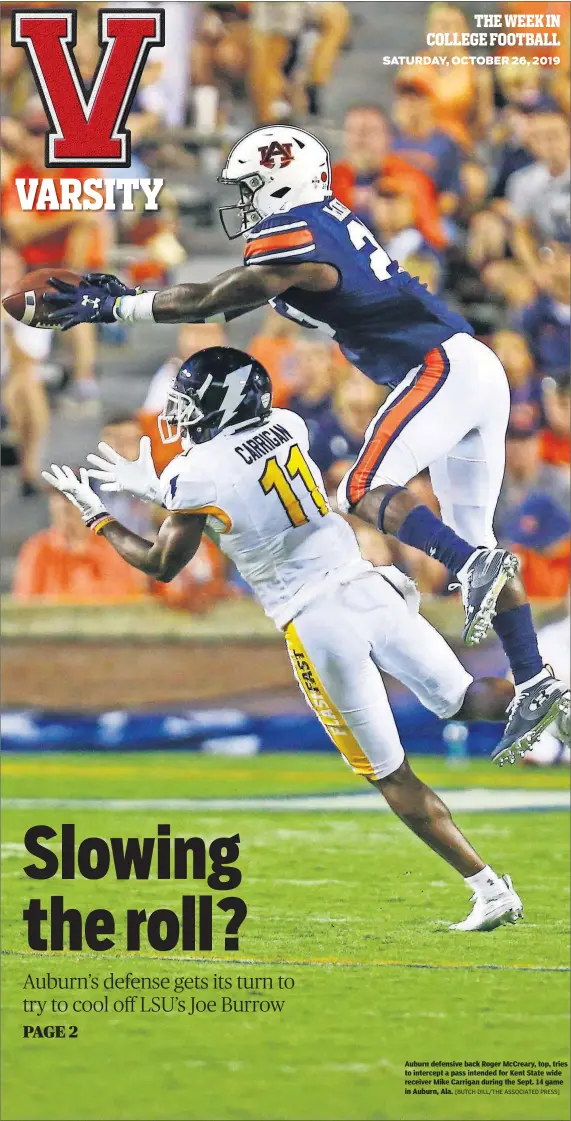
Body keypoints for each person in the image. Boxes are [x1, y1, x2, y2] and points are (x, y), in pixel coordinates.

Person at [42, 123, 570, 762]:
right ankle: (537, 680)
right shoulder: (322, 217)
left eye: (251, 187)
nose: (244, 202)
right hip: (466, 366)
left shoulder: (296, 230)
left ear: (280, 182)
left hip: (437, 366)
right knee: (474, 542)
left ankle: (474, 570)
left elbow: (214, 299)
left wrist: (119, 307)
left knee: (360, 487)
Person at [44, 345, 525, 930]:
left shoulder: (195, 472)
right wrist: (163, 489)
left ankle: (488, 888)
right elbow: (239, 488)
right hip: (367, 585)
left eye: (192, 402)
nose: (183, 414)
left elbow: (163, 561)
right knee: (467, 698)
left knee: (389, 772)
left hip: (318, 621)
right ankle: (554, 696)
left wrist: (101, 516)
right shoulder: (286, 424)